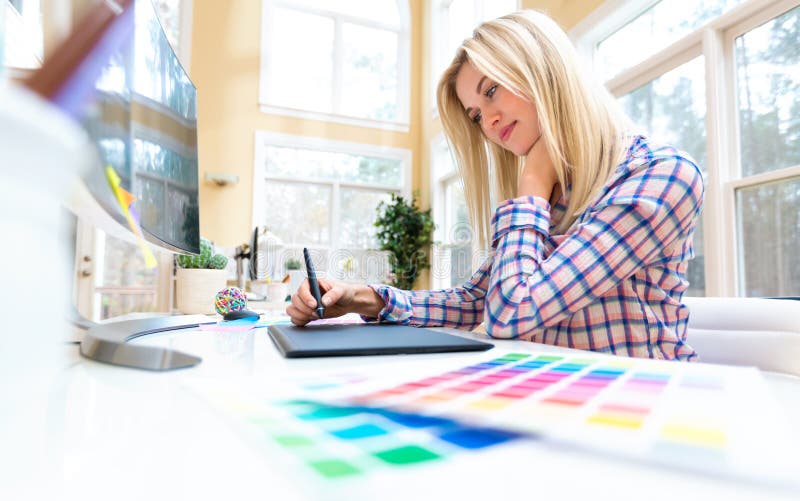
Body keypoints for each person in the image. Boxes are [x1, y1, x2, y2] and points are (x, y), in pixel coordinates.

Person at [286, 10, 703, 361]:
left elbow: (511, 312)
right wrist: (364, 298)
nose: (488, 122)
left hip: (644, 406)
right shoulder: (550, 197)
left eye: (491, 92)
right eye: (475, 115)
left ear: (544, 71)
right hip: (558, 392)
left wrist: (534, 181)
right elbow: (477, 300)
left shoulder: (660, 176)